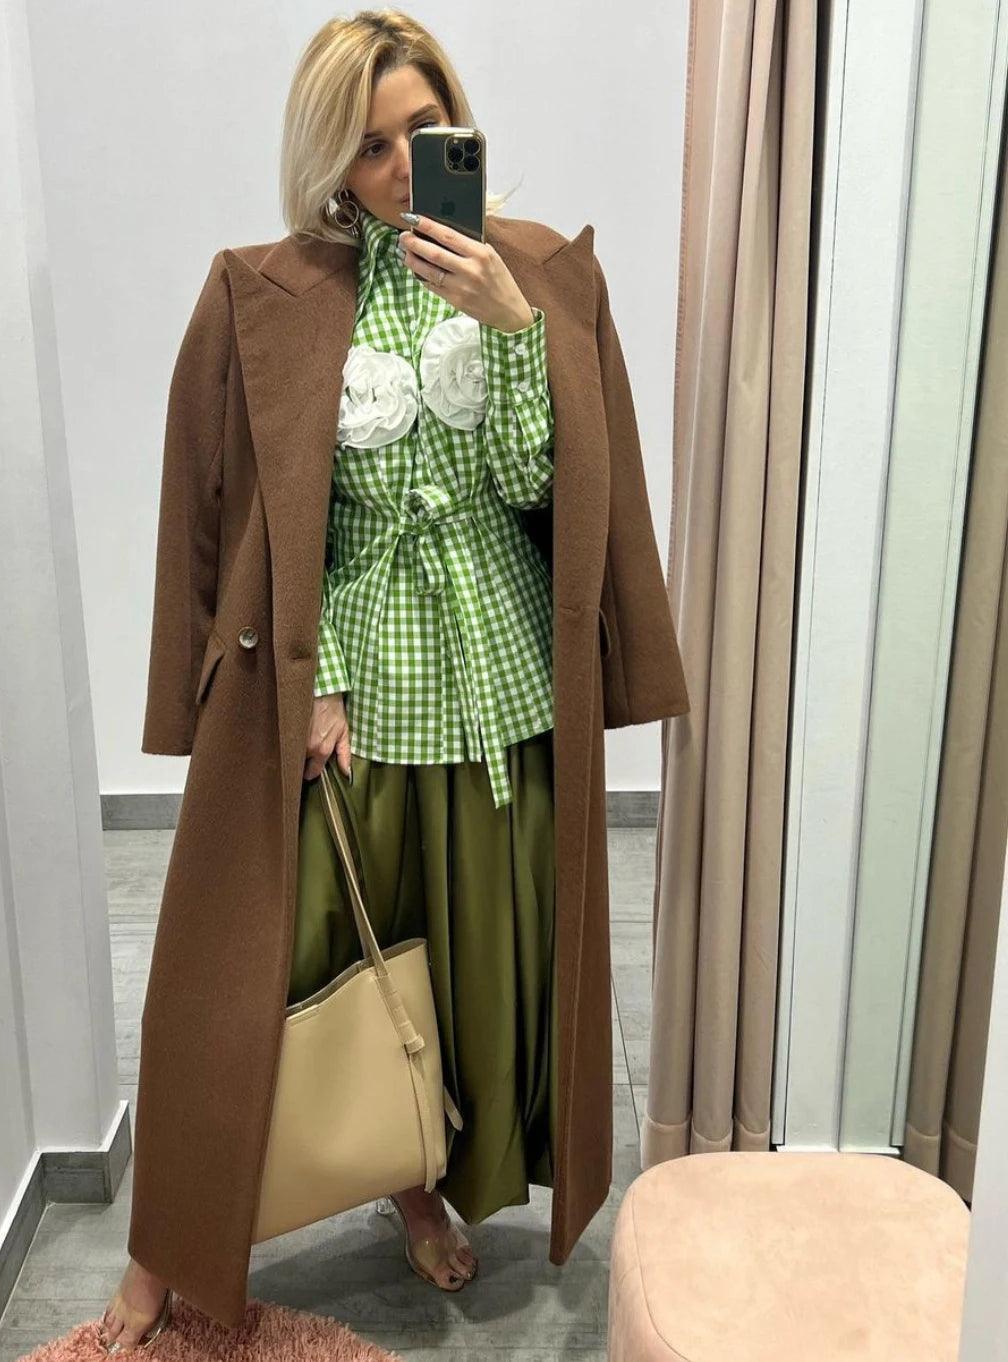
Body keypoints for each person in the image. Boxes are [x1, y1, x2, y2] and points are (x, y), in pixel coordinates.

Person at [98, 6, 690, 1351]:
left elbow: (551, 492)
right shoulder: (266, 294)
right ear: (329, 162)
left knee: (477, 953)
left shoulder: (542, 274)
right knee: (294, 961)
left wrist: (513, 328)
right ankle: (182, 1241)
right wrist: (298, 688)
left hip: (501, 682)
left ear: (457, 120)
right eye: (369, 146)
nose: (402, 164)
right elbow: (232, 512)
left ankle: (431, 1177)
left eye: (424, 130)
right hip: (357, 684)